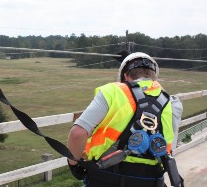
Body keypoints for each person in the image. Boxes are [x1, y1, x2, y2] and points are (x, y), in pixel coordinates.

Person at [67, 52, 183, 187]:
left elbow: (77, 134)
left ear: (125, 76)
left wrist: (74, 165)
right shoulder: (173, 104)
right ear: (155, 78)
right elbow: (169, 149)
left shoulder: (112, 92)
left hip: (105, 178)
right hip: (151, 181)